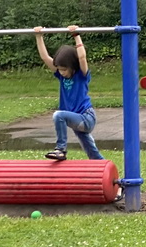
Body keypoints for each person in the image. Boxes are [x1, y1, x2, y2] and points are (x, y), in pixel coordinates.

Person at [34, 25, 104, 161]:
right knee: (91, 151)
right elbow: (44, 57)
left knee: (58, 115)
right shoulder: (60, 76)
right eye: (59, 69)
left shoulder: (81, 75)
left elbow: (82, 57)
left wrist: (76, 35)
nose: (61, 72)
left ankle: (60, 149)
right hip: (75, 118)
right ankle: (103, 167)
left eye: (64, 69)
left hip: (86, 117)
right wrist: (39, 36)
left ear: (72, 66)